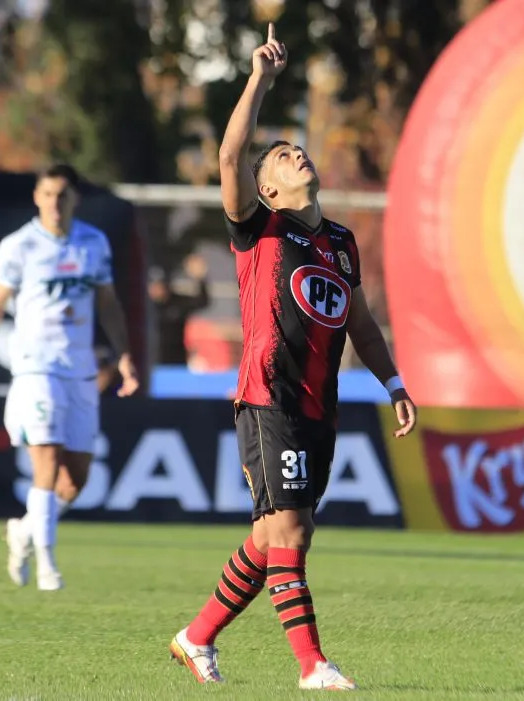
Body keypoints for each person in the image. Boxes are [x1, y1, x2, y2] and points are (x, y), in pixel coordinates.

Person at [168, 23, 417, 691]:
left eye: (295, 148)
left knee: (267, 537)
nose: (292, 154)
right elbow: (227, 160)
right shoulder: (260, 228)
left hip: (318, 405)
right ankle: (312, 665)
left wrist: (393, 381)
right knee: (293, 530)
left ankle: (196, 635)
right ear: (268, 191)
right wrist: (260, 79)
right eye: (278, 155)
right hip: (268, 392)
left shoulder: (339, 242)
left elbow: (360, 322)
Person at [0, 163, 140, 591]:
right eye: (46, 194)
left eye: (62, 195)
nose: (54, 203)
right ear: (36, 198)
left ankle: (24, 531)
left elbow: (109, 304)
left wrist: (125, 355)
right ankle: (47, 563)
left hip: (79, 370)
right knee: (45, 461)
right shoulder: (19, 246)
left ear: (74, 199)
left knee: (75, 479)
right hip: (35, 368)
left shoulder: (93, 243)